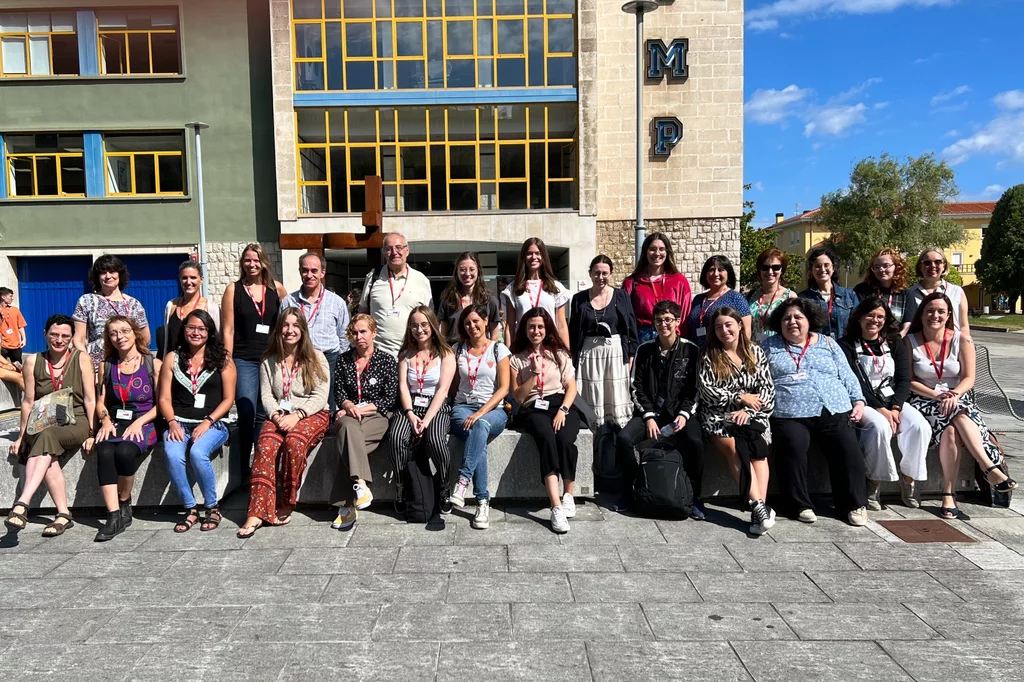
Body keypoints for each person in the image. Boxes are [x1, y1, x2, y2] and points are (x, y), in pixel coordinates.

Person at [906, 292, 1015, 520]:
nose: (935, 315)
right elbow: (909, 380)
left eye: (940, 312)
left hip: (957, 398)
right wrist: (938, 395)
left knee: (952, 431)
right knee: (957, 414)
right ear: (922, 313)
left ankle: (948, 494)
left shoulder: (961, 339)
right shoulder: (911, 340)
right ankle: (989, 468)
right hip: (923, 399)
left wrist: (953, 394)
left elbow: (969, 378)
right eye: (930, 311)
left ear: (948, 315)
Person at [762, 298, 869, 526]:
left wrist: (858, 401)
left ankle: (854, 504)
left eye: (798, 317)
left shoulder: (828, 343)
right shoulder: (769, 346)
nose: (792, 322)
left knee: (848, 449)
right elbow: (758, 377)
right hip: (790, 412)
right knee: (792, 445)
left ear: (809, 321)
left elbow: (847, 374)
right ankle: (799, 504)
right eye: (786, 318)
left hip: (832, 406)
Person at [237, 308, 331, 537]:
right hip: (279, 413)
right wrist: (277, 416)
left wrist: (297, 415)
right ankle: (257, 512)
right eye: (286, 326)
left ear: (303, 329)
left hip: (312, 413)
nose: (290, 330)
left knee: (294, 444)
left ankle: (287, 501)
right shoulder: (269, 360)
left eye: (295, 326)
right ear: (279, 330)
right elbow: (267, 396)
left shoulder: (316, 357)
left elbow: (321, 396)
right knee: (266, 445)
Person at [4, 314, 95, 537]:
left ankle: (22, 503)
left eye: (65, 335)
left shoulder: (81, 359)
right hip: (43, 421)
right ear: (45, 334)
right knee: (47, 444)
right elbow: (28, 401)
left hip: (76, 420)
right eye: (54, 334)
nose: (59, 340)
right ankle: (63, 514)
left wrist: (92, 432)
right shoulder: (33, 361)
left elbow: (91, 399)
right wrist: (21, 436)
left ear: (72, 337)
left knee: (47, 437)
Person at [616, 301, 707, 519]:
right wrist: (648, 416)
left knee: (695, 441)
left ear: (677, 321)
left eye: (668, 320)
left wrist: (684, 414)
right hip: (650, 413)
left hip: (681, 413)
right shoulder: (644, 349)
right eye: (659, 320)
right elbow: (635, 386)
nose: (663, 324)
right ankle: (630, 489)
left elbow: (695, 389)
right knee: (624, 439)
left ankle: (694, 496)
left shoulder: (691, 350)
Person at [840, 298, 931, 510]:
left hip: (893, 401)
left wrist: (896, 408)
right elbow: (855, 383)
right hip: (864, 402)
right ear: (860, 317)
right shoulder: (846, 344)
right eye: (870, 315)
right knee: (879, 427)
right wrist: (882, 411)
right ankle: (874, 482)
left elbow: (903, 379)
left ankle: (908, 480)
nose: (875, 320)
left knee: (920, 426)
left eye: (880, 316)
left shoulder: (894, 342)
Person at [697, 307, 776, 535]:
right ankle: (760, 507)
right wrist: (738, 397)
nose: (724, 330)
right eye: (719, 326)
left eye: (728, 324)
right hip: (719, 416)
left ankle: (757, 509)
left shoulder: (756, 352)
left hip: (754, 415)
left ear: (740, 325)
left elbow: (767, 392)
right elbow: (707, 391)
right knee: (734, 449)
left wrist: (748, 412)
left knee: (758, 451)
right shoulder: (708, 355)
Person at [158, 309, 236, 533]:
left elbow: (228, 399)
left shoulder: (223, 359)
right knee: (173, 454)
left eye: (202, 329)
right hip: (179, 421)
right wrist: (172, 422)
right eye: (191, 327)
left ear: (210, 332)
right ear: (183, 330)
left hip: (213, 422)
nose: (196, 332)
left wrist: (208, 421)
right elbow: (163, 397)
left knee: (197, 453)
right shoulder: (172, 358)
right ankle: (190, 508)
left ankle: (212, 507)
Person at [509, 308, 583, 533]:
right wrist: (532, 375)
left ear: (547, 328)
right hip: (534, 409)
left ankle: (568, 494)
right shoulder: (516, 358)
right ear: (525, 329)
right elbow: (518, 397)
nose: (536, 331)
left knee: (566, 439)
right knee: (547, 438)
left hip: (560, 404)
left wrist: (562, 410)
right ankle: (556, 505)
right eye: (531, 326)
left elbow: (571, 388)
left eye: (540, 326)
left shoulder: (558, 353)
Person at [221, 243, 288, 479]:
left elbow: (288, 323)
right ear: (242, 263)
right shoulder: (234, 290)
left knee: (265, 412)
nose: (252, 264)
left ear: (264, 263)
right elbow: (227, 329)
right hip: (244, 359)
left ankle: (262, 465)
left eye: (256, 260)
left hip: (271, 359)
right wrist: (227, 361)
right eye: (247, 260)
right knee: (247, 410)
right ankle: (242, 470)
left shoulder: (277, 289)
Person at [91, 317, 161, 541]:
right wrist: (105, 420)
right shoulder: (107, 365)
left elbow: (163, 404)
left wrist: (139, 423)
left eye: (124, 331)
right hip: (115, 421)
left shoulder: (153, 363)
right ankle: (113, 516)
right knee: (104, 451)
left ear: (135, 333)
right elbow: (100, 401)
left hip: (144, 421)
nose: (119, 337)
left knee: (124, 452)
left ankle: (124, 501)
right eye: (113, 333)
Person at [329, 314, 398, 531]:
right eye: (355, 332)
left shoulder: (387, 360)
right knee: (349, 428)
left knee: (347, 440)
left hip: (377, 415)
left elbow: (389, 398)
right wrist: (348, 405)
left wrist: (360, 408)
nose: (359, 337)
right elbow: (338, 392)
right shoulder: (343, 360)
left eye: (363, 331)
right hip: (349, 416)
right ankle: (361, 486)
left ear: (374, 332)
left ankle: (346, 506)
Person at [387, 306, 457, 516]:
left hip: (436, 407)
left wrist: (426, 420)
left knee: (435, 439)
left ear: (433, 325)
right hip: (410, 407)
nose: (420, 330)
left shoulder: (446, 353)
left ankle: (444, 485)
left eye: (424, 324)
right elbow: (403, 387)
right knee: (396, 437)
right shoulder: (405, 354)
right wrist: (409, 414)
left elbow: (443, 389)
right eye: (414, 325)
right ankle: (401, 486)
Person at [449, 303, 511, 529]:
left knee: (481, 425)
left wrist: (480, 413)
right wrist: (471, 413)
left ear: (486, 321)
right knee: (479, 435)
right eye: (467, 323)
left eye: (476, 321)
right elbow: (454, 385)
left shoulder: (499, 349)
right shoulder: (457, 350)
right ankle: (482, 502)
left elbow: (504, 388)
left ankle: (462, 482)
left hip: (493, 409)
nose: (472, 326)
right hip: (462, 408)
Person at [569, 256, 638, 428]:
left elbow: (631, 327)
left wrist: (631, 355)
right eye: (597, 273)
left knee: (615, 397)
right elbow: (573, 331)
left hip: (615, 353)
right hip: (589, 354)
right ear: (590, 274)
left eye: (604, 273)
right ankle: (594, 433)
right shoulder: (579, 299)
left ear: (611, 274)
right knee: (592, 395)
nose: (600, 277)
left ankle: (615, 438)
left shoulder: (621, 296)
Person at [281, 252, 350, 415]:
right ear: (300, 272)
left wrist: (339, 360)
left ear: (322, 273)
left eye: (314, 270)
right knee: (301, 401)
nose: (309, 275)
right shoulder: (288, 301)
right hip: (297, 358)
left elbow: (344, 335)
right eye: (305, 270)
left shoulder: (337, 302)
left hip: (329, 358)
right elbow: (281, 331)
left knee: (328, 403)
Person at [359, 233, 433, 358]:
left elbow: (429, 320)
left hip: (412, 354)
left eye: (399, 247)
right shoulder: (373, 277)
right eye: (389, 249)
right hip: (377, 355)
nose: (394, 252)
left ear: (407, 250)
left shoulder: (421, 280)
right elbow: (363, 314)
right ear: (384, 252)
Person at [73, 255, 150, 368]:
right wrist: (87, 364)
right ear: (97, 277)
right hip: (95, 366)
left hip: (127, 367)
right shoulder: (87, 301)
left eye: (112, 271)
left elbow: (145, 338)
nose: (108, 276)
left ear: (119, 274)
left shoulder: (133, 304)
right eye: (103, 272)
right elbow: (78, 339)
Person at [623, 232, 692, 344]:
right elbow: (626, 318)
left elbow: (685, 314)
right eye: (652, 249)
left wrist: (681, 342)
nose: (657, 253)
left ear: (667, 252)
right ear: (645, 252)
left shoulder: (679, 281)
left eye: (661, 249)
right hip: (643, 337)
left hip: (672, 336)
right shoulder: (632, 282)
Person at [502, 238, 571, 347]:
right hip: (523, 348)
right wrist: (508, 355)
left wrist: (567, 354)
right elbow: (510, 326)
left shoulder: (555, 287)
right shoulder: (513, 288)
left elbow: (561, 325)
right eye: (529, 253)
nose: (534, 257)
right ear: (523, 257)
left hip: (550, 347)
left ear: (543, 257)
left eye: (537, 253)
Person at [436, 251, 501, 345]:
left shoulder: (490, 301)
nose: (467, 274)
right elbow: (443, 336)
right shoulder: (448, 301)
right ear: (456, 272)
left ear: (478, 271)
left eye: (472, 269)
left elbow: (494, 337)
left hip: (481, 355)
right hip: (454, 354)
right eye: (462, 269)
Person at [686, 255, 751, 348]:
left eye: (721, 270)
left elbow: (746, 333)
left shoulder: (736, 298)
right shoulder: (698, 299)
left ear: (728, 274)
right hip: (696, 355)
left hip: (720, 356)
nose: (715, 274)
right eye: (711, 270)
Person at [160, 260, 220, 360]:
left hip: (203, 366)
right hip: (175, 365)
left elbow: (218, 339)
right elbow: (167, 342)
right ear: (179, 279)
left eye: (193, 278)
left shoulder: (211, 307)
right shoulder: (171, 305)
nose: (188, 282)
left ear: (201, 280)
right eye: (184, 278)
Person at [904, 248, 971, 336]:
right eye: (927, 262)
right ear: (920, 266)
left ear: (944, 265)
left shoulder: (957, 292)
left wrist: (965, 345)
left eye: (938, 262)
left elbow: (963, 326)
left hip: (952, 346)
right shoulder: (909, 294)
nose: (933, 266)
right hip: (919, 347)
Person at [798, 246, 858, 339]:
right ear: (812, 270)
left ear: (833, 268)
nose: (822, 269)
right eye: (817, 266)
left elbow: (858, 324)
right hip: (817, 350)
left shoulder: (849, 295)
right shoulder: (803, 298)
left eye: (826, 265)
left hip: (844, 349)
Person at [746, 248, 797, 343]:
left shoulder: (789, 297)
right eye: (765, 267)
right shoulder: (750, 296)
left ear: (782, 270)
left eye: (776, 267)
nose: (770, 272)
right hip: (754, 350)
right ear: (759, 270)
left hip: (778, 350)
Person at [853, 248, 910, 330]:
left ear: (897, 267)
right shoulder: (862, 290)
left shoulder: (906, 294)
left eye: (886, 266)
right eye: (876, 267)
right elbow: (856, 318)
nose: (881, 270)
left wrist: (897, 341)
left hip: (895, 340)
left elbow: (907, 325)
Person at [0, 287, 27, 366]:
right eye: (10, 296)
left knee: (18, 367)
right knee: (3, 368)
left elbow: (21, 326)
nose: (12, 298)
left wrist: (24, 339)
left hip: (15, 345)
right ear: (3, 297)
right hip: (2, 346)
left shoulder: (15, 310)